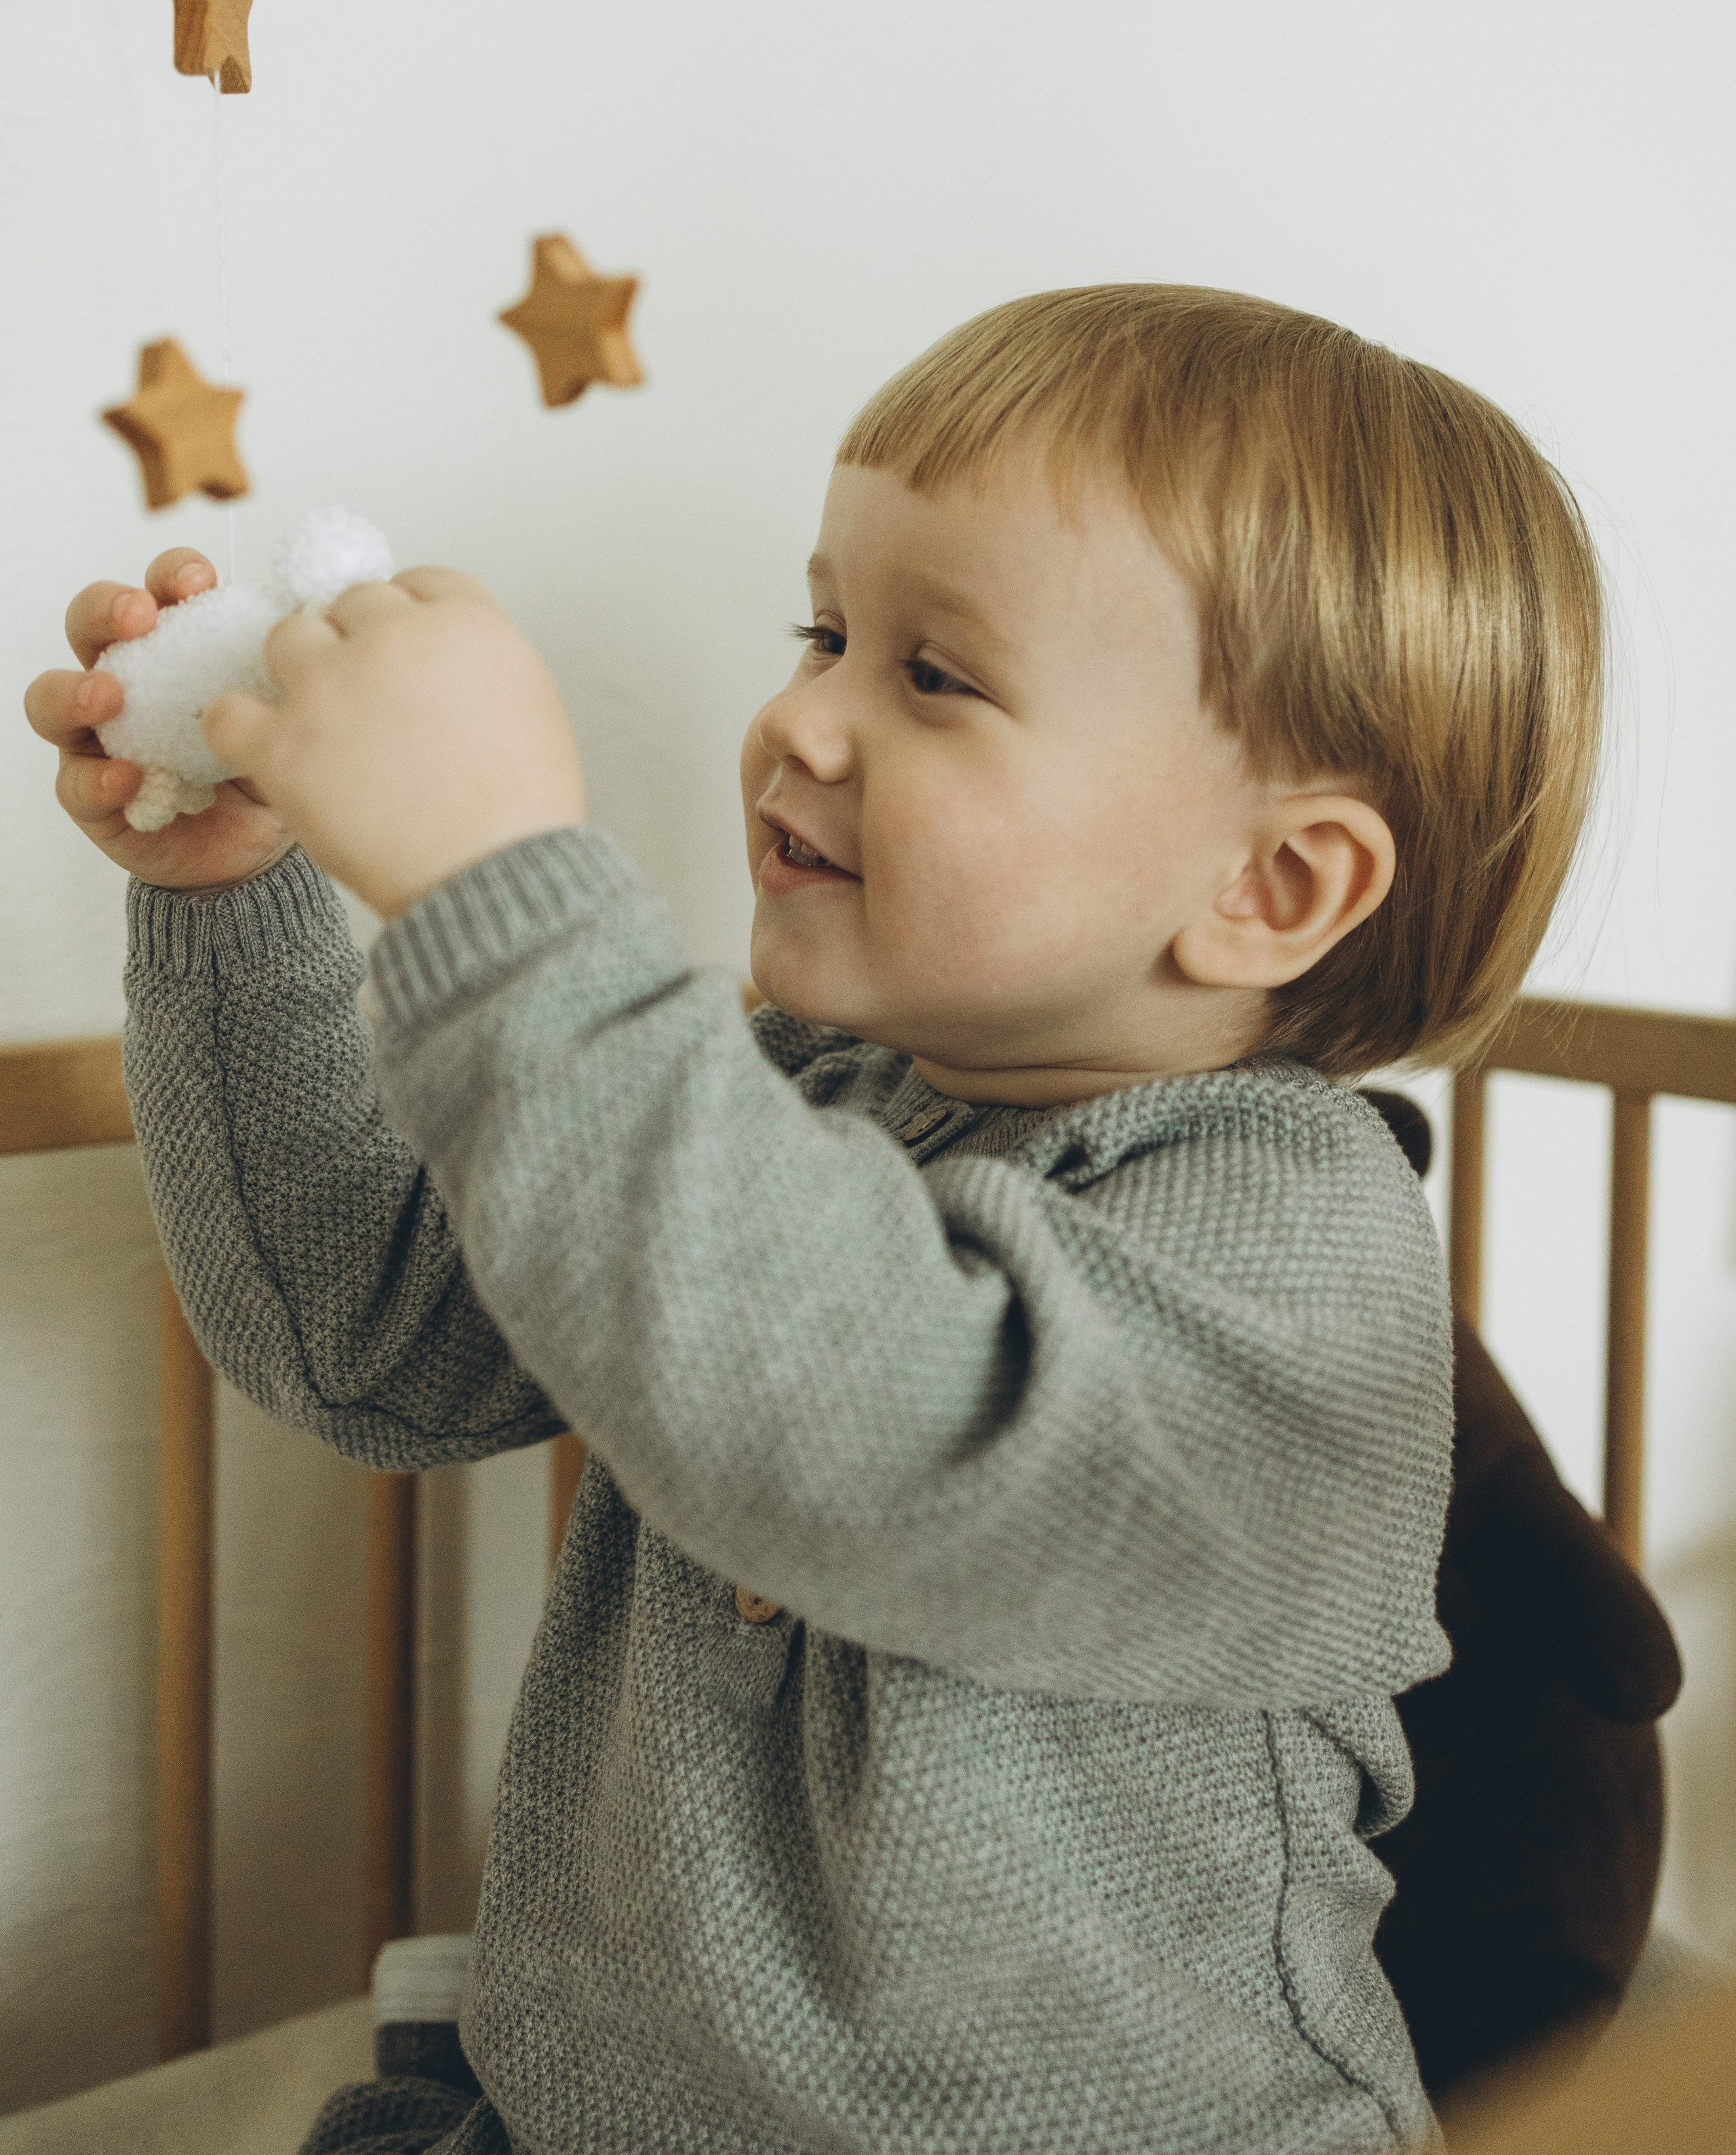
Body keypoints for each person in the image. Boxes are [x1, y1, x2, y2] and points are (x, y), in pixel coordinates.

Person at [24, 285, 1605, 2155]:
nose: (799, 716)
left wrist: (504, 891)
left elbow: (872, 1425)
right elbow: (365, 1344)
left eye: (932, 675)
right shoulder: (793, 1095)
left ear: (1268, 885)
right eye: (824, 627)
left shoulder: (1295, 1256)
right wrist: (239, 909)